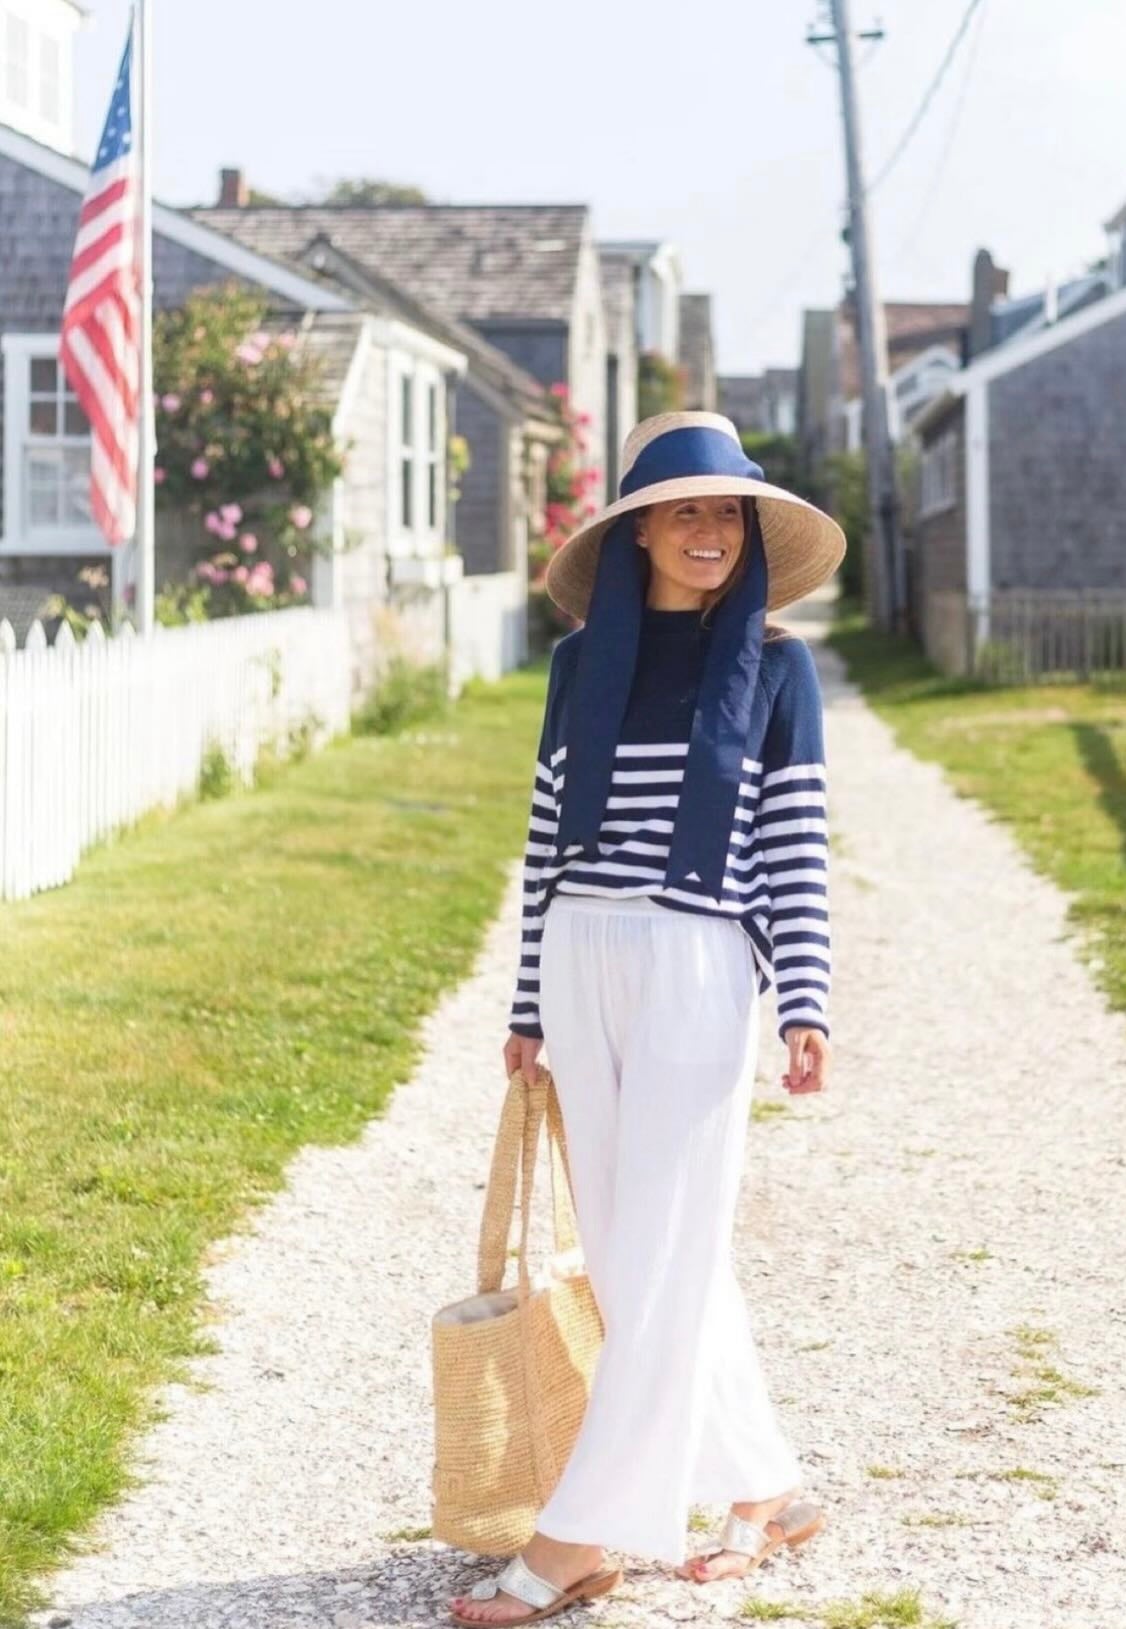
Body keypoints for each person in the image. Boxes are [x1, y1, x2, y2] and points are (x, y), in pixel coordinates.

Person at [448, 410, 844, 1626]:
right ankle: (764, 1489)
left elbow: (790, 843)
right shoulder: (581, 667)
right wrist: (527, 1003)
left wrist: (804, 1003)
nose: (709, 531)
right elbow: (545, 844)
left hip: (696, 963)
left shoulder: (775, 669)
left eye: (726, 511)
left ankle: (581, 1534)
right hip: (583, 954)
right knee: (634, 1256)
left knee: (670, 1243)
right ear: (637, 535)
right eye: (685, 511)